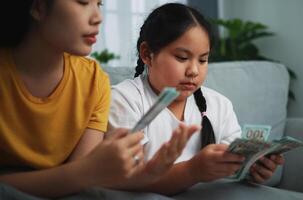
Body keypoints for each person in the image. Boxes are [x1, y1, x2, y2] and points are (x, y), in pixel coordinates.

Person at [0, 0, 198, 198]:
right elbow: (82, 174)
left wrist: (149, 173)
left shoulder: (94, 82)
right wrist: (87, 172)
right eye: (83, 2)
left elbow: (81, 177)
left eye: (99, 4)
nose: (98, 17)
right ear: (38, 7)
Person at [108, 3, 285, 195]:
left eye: (202, 60)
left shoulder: (219, 105)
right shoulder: (124, 100)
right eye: (182, 57)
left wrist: (252, 169)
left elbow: (232, 169)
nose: (193, 71)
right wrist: (192, 171)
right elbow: (127, 180)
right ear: (147, 54)